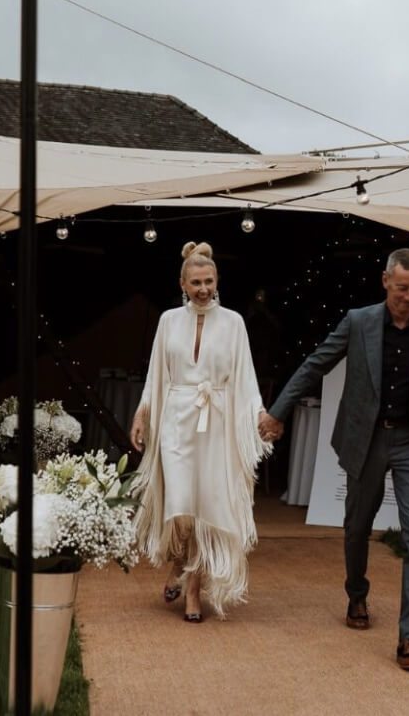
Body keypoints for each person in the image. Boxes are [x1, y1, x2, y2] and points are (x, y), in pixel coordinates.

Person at [259, 247, 409, 672]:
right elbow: (316, 363)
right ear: (385, 281)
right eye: (401, 289)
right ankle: (357, 591)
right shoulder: (359, 322)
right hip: (368, 439)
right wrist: (277, 410)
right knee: (357, 526)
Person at [129, 241, 272, 622]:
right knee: (181, 507)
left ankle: (193, 588)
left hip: (217, 425)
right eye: (196, 282)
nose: (203, 289)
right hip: (175, 421)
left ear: (217, 280)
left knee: (207, 505)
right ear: (182, 282)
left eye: (209, 281)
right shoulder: (167, 321)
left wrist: (259, 414)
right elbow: (155, 375)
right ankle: (179, 564)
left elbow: (247, 377)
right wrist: (142, 413)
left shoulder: (235, 322)